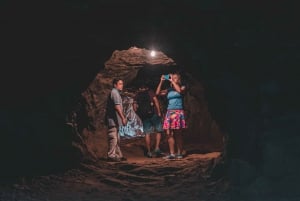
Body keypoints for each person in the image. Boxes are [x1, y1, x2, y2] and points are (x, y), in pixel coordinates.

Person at [156, 72, 187, 160]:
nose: (173, 79)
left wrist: (172, 81)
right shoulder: (169, 90)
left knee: (178, 134)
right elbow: (157, 93)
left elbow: (180, 91)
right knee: (169, 133)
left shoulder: (182, 87)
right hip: (169, 112)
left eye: (175, 78)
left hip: (178, 112)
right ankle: (172, 154)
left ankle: (179, 153)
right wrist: (161, 82)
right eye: (172, 77)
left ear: (179, 79)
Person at [134, 83, 164, 158]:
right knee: (159, 131)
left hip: (144, 116)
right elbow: (156, 101)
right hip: (154, 114)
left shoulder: (137, 95)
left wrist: (139, 114)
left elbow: (134, 107)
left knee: (147, 133)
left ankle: (149, 151)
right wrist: (159, 112)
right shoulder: (150, 92)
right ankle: (157, 148)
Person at [105, 78, 127, 162]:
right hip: (113, 119)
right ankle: (111, 155)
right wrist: (123, 118)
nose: (122, 85)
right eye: (120, 84)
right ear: (115, 85)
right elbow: (117, 107)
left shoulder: (116, 92)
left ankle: (118, 155)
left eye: (122, 83)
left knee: (117, 138)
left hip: (115, 120)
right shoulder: (114, 93)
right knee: (113, 137)